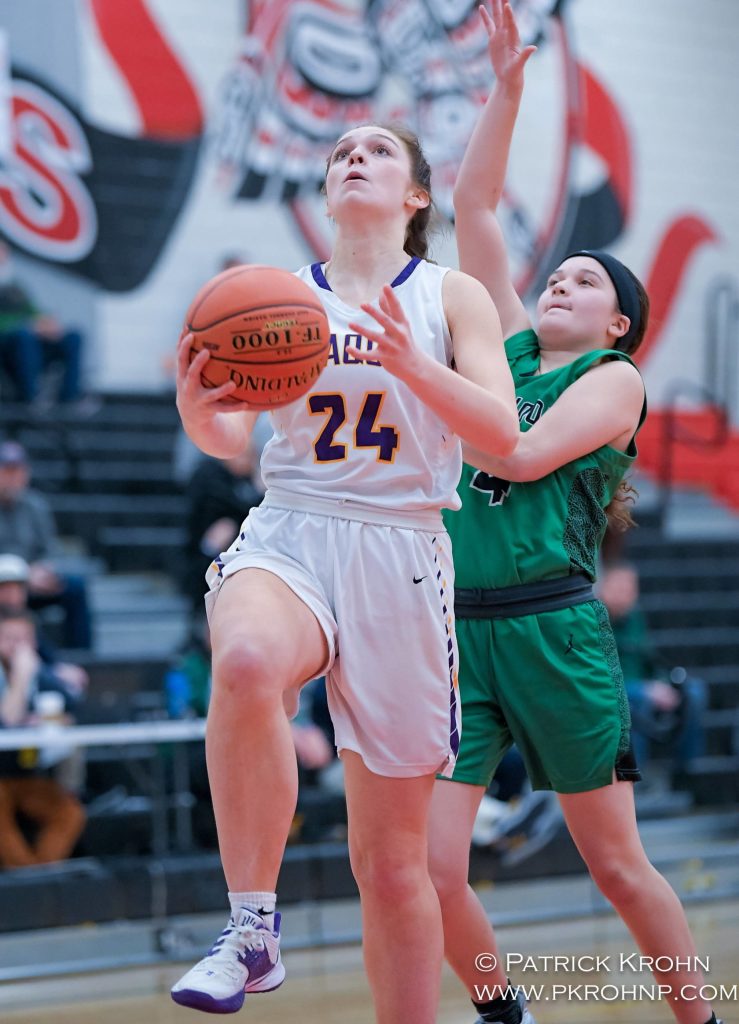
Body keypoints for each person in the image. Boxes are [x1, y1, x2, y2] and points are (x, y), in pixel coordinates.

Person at [169, 121, 519, 1020]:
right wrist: (196, 406)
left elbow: (504, 437)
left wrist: (412, 364)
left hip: (403, 550)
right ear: (325, 193)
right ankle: (250, 929)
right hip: (293, 526)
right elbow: (230, 439)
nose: (351, 159)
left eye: (375, 151)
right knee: (244, 662)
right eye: (338, 155)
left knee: (393, 865)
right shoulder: (273, 298)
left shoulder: (453, 295)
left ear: (414, 198)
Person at [427, 5, 721, 1024]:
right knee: (429, 864)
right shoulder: (500, 353)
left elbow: (512, 449)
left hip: (555, 628)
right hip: (458, 628)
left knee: (617, 865)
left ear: (619, 321)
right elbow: (472, 209)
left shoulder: (614, 382)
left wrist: (414, 377)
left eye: (583, 277)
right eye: (555, 273)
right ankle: (504, 1012)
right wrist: (507, 92)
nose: (559, 279)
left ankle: (700, 1017)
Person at [598, 562, 708, 787]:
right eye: (619, 588)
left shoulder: (634, 618)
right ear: (603, 588)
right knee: (636, 701)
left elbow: (649, 658)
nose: (624, 595)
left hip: (643, 683)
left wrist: (662, 683)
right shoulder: (594, 620)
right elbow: (599, 675)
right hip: (612, 689)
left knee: (694, 691)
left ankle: (684, 770)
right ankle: (635, 778)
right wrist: (646, 689)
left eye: (630, 589)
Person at [0, 607, 86, 868]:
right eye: (11, 638)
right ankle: (26, 878)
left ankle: (40, 875)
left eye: (25, 639)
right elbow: (7, 720)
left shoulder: (40, 674)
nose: (20, 647)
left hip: (26, 775)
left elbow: (71, 707)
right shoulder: (23, 673)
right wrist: (21, 677)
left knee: (69, 813)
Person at [0, 441, 93, 650]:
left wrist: (45, 570)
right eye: (6, 471)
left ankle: (82, 657)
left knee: (75, 588)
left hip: (33, 582)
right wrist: (23, 575)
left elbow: (50, 550)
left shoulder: (36, 505)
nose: (12, 477)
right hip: (4, 582)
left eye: (17, 471)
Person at [180, 442, 263, 621]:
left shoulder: (249, 483)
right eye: (244, 455)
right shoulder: (208, 474)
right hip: (203, 554)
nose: (249, 462)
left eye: (252, 457)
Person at [0, 241, 85, 408]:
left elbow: (33, 312)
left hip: (28, 342)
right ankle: (31, 396)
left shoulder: (15, 288)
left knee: (73, 337)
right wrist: (27, 325)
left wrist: (47, 324)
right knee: (25, 338)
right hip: (8, 345)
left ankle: (69, 396)